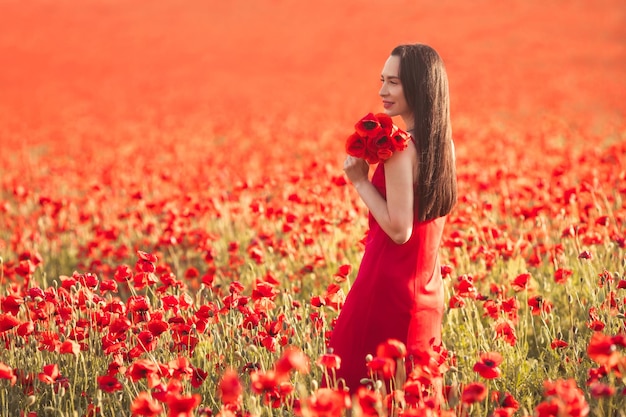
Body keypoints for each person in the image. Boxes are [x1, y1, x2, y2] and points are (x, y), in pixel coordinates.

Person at [328, 43, 457, 393]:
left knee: (362, 388)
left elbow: (400, 230)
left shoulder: (401, 149)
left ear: (420, 86)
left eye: (394, 83)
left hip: (387, 289)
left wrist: (358, 181)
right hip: (428, 288)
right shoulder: (444, 145)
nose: (383, 91)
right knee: (413, 395)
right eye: (382, 80)